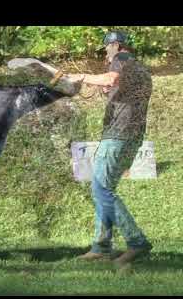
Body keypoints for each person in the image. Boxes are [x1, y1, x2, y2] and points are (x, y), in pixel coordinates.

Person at [66, 31, 153, 268]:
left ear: (115, 45)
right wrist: (109, 91)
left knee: (101, 188)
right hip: (133, 136)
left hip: (118, 135)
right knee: (103, 188)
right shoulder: (140, 68)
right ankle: (101, 247)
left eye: (107, 48)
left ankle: (137, 242)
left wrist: (81, 76)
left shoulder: (121, 59)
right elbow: (119, 88)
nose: (106, 52)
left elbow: (109, 79)